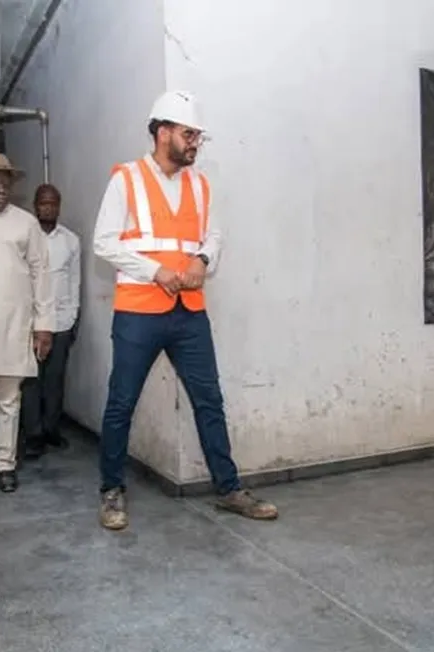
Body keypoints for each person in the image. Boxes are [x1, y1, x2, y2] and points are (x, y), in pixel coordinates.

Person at [91, 91, 279, 531]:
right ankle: (111, 490)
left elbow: (212, 236)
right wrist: (155, 271)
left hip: (188, 312)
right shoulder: (127, 179)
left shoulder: (200, 184)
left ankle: (229, 488)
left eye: (197, 135)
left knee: (208, 400)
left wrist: (203, 261)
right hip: (139, 311)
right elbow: (105, 241)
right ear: (162, 132)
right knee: (122, 403)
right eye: (189, 133)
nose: (195, 142)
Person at [0, 154, 54, 493]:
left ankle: (4, 463)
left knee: (8, 399)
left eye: (5, 183)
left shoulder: (26, 223)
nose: (0, 189)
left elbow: (41, 274)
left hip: (14, 326)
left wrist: (44, 325)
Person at [21, 183, 80, 458]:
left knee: (55, 380)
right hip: (31, 323)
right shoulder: (26, 235)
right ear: (35, 206)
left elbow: (75, 281)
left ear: (59, 206)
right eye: (43, 203)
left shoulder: (70, 240)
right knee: (32, 380)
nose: (48, 208)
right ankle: (33, 436)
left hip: (62, 321)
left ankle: (51, 430)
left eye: (53, 203)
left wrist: (74, 316)